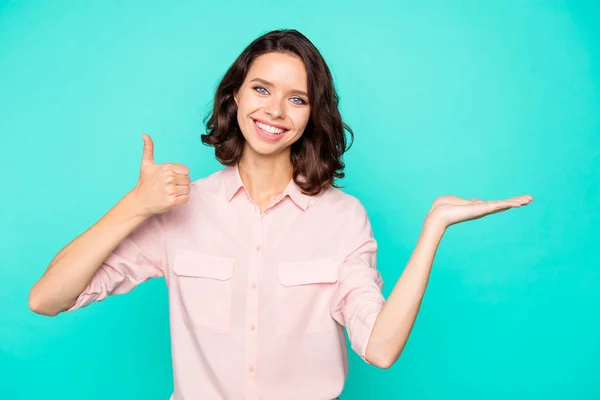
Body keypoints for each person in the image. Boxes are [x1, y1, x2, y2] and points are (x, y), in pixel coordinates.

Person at [28, 29, 533, 400]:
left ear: (312, 116)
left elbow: (379, 349)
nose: (275, 111)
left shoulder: (343, 218)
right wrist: (133, 207)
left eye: (297, 99)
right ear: (235, 95)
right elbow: (46, 300)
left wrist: (433, 229)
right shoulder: (182, 210)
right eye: (262, 89)